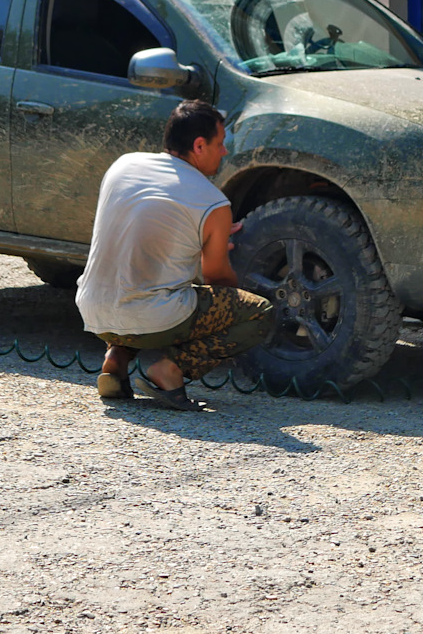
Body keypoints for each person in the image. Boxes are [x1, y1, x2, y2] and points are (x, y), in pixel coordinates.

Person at [78, 100, 275, 411]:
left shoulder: (123, 165)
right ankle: (169, 369)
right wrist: (211, 242)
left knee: (141, 280)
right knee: (258, 312)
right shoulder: (212, 201)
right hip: (154, 317)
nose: (224, 152)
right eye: (220, 143)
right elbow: (218, 281)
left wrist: (198, 239)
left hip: (93, 310)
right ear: (199, 145)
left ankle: (116, 358)